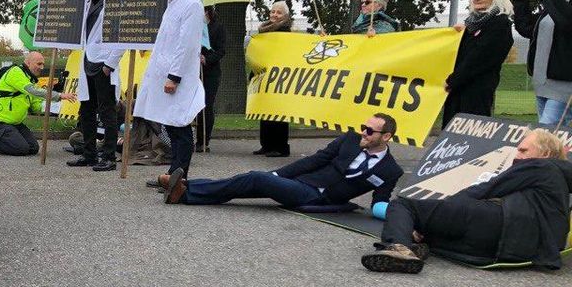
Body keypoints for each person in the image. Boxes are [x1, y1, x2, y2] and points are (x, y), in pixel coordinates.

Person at [362, 129, 572, 274]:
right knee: (428, 238)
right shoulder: (559, 185)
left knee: (404, 205)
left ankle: (398, 246)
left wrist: (445, 207)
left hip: (497, 222)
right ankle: (412, 247)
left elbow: (486, 189)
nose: (517, 155)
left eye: (523, 150)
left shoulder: (540, 166)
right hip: (508, 251)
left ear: (544, 153)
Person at [161, 113, 403, 208]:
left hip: (317, 197)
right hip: (304, 183)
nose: (363, 132)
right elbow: (316, 160)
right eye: (364, 127)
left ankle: (186, 190)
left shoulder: (390, 170)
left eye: (370, 131)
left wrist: (394, 214)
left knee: (256, 179)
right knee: (252, 183)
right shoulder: (350, 139)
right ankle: (185, 191)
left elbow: (380, 201)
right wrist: (279, 175)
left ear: (387, 136)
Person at [134, 0, 205, 190]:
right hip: (165, 75)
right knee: (171, 126)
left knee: (179, 125)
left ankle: (179, 176)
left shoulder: (192, 4)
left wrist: (174, 77)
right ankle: (172, 174)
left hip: (178, 78)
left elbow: (187, 45)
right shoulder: (173, 2)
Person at [68, 0, 125, 171]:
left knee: (107, 112)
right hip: (87, 63)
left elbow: (122, 36)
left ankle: (109, 157)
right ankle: (89, 155)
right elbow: (71, 2)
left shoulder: (113, 5)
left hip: (103, 65)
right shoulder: (89, 3)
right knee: (86, 110)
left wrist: (110, 65)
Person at [442, 0, 515, 128]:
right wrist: (457, 35)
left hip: (476, 91)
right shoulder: (470, 24)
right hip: (458, 89)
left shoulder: (500, 24)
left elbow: (479, 58)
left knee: (468, 135)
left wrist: (453, 80)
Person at [514, 0, 572, 127]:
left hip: (564, 85)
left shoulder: (559, 3)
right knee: (552, 136)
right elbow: (527, 29)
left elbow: (568, 22)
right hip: (543, 83)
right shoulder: (563, 1)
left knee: (545, 133)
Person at [0, 52, 76, 156]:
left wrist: (58, 108)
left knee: (33, 148)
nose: (42, 67)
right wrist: (59, 96)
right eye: (39, 64)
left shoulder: (30, 79)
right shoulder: (15, 72)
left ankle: (8, 141)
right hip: (0, 123)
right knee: (21, 149)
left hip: (16, 124)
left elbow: (36, 106)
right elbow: (32, 91)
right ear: (28, 63)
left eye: (43, 64)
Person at [252, 1, 293, 158]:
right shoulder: (264, 31)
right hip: (265, 74)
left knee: (278, 111)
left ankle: (281, 146)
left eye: (279, 13)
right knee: (265, 111)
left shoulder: (286, 32)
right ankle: (267, 144)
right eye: (272, 11)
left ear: (285, 16)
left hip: (280, 75)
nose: (274, 15)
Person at [196, 6, 225, 153]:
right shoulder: (194, 26)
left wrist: (206, 59)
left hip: (211, 73)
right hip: (194, 72)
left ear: (207, 12)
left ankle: (203, 140)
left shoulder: (218, 28)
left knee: (206, 105)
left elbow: (221, 50)